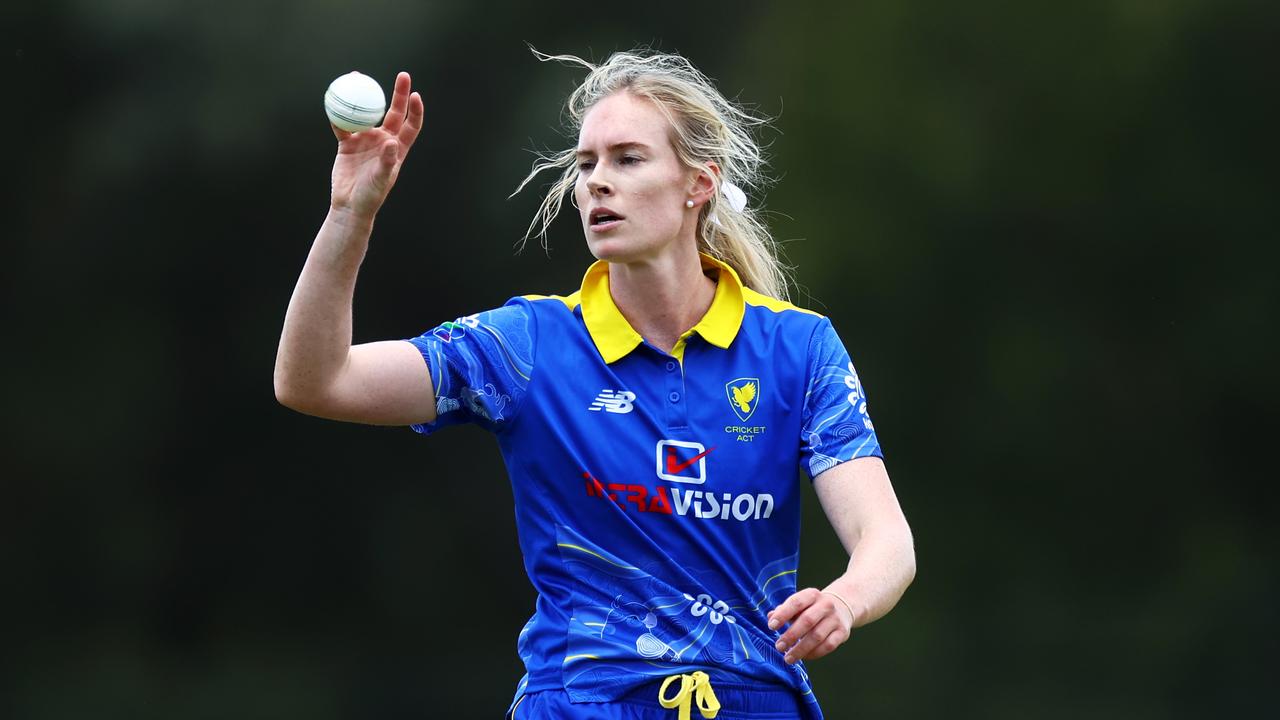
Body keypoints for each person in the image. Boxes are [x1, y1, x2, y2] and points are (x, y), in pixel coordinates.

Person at [275, 49, 915, 720]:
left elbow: (886, 542)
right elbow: (317, 380)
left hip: (753, 701)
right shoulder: (526, 345)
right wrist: (350, 216)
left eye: (627, 159)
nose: (596, 183)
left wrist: (844, 601)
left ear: (699, 184)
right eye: (586, 165)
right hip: (583, 703)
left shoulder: (797, 347)